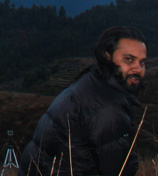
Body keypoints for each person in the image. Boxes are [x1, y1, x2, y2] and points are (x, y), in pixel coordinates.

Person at [20, 26, 147, 176]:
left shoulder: (91, 82)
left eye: (142, 62)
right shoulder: (107, 109)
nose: (138, 69)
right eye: (129, 60)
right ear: (107, 57)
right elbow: (117, 170)